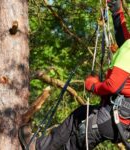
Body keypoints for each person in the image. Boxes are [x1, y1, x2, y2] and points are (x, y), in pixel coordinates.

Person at [19, 0, 130, 149]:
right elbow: (123, 37)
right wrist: (116, 11)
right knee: (79, 114)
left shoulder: (129, 50)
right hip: (119, 119)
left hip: (111, 118)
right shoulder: (128, 46)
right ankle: (38, 146)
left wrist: (92, 85)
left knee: (73, 145)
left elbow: (112, 86)